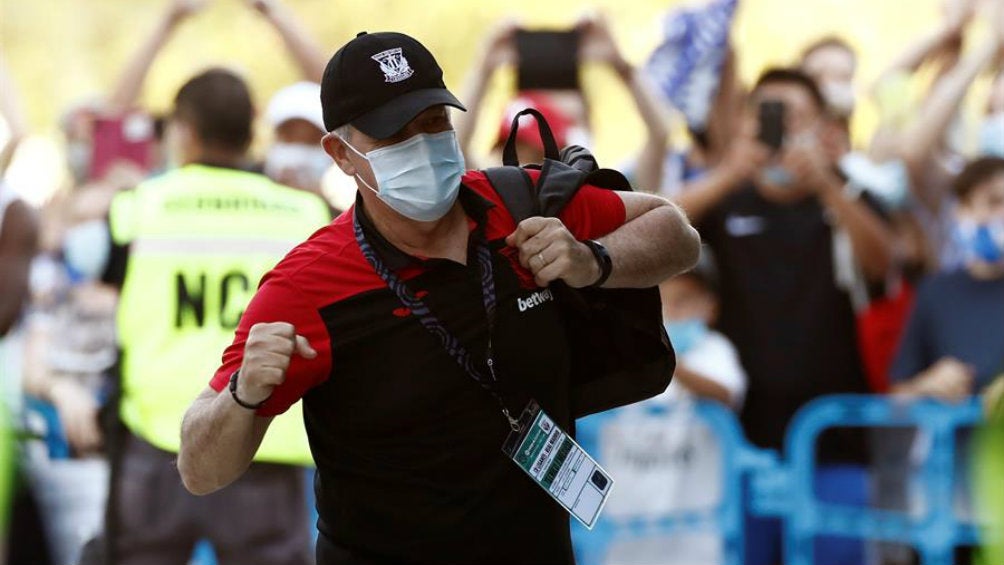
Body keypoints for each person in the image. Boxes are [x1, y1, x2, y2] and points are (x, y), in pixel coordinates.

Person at [178, 30, 700, 565]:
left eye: (432, 122)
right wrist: (242, 395)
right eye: (393, 134)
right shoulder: (305, 287)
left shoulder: (519, 204)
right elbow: (199, 470)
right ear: (341, 154)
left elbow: (676, 233)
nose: (421, 145)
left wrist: (592, 260)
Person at [100, 68, 330, 565]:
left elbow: (101, 290)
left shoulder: (140, 205)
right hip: (262, 441)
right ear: (251, 131)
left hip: (156, 442)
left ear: (184, 130)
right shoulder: (305, 212)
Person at [673, 67, 893, 565]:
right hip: (739, 446)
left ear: (823, 127)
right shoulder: (724, 201)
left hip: (835, 440)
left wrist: (827, 182)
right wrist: (730, 171)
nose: (780, 127)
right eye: (767, 114)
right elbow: (652, 227)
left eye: (795, 116)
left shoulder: (849, 195)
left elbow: (884, 263)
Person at [573, 249, 746, 565]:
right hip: (622, 536)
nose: (674, 310)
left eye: (685, 300)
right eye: (664, 300)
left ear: (710, 307)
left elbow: (725, 394)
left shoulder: (714, 351)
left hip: (696, 537)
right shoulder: (619, 355)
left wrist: (668, 361)